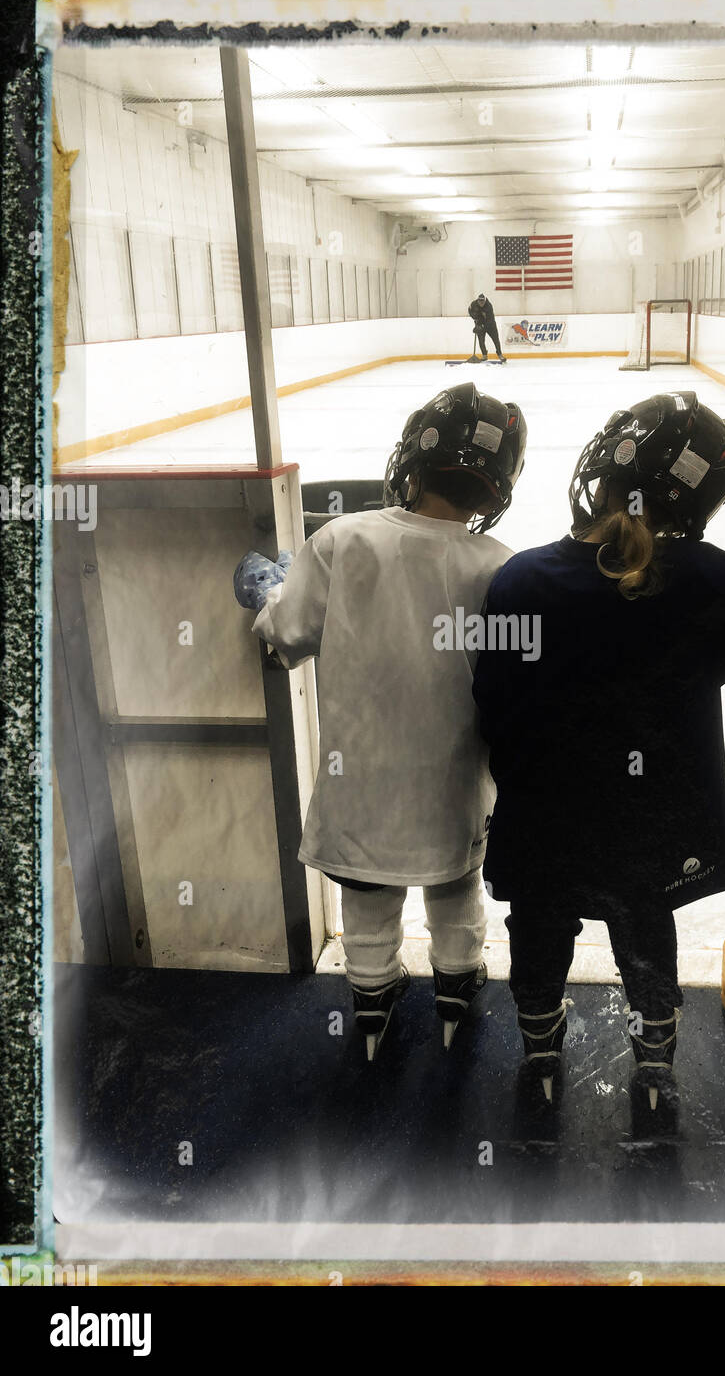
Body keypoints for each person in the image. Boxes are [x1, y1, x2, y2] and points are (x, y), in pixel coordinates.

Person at [472, 392, 725, 1112]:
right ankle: (653, 1063)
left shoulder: (520, 579)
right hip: (649, 826)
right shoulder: (707, 581)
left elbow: (492, 706)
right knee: (644, 925)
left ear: (601, 471)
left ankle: (539, 1051)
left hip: (542, 818)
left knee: (536, 924)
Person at [234, 383, 526, 1060]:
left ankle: (371, 992)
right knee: (455, 883)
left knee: (367, 889)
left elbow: (288, 632)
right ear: (494, 492)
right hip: (454, 779)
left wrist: (270, 587)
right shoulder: (499, 565)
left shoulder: (341, 538)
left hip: (360, 776)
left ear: (413, 461)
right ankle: (457, 983)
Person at [468, 293, 506, 363]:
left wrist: (482, 327)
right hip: (479, 323)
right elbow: (470, 310)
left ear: (485, 301)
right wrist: (474, 317)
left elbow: (490, 320)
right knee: (481, 340)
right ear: (478, 301)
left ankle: (500, 354)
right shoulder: (473, 304)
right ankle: (484, 354)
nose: (481, 303)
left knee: (496, 340)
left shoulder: (489, 307)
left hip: (490, 325)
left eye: (482, 302)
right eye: (480, 301)